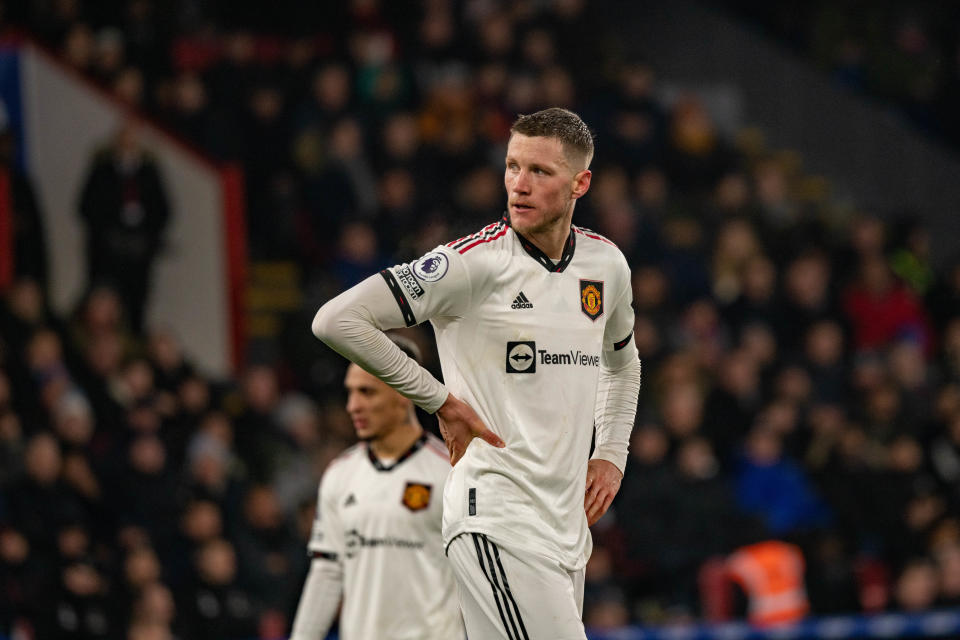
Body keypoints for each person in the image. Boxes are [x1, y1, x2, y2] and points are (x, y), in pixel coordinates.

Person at [312, 107, 642, 639]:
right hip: (495, 517)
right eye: (512, 167)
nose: (520, 185)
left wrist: (610, 454)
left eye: (540, 171)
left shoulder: (606, 266)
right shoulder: (473, 263)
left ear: (581, 183)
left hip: (564, 529)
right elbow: (337, 320)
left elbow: (623, 366)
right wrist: (438, 399)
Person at [289, 336, 464, 640]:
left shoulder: (450, 473)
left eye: (367, 392)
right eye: (351, 392)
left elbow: (477, 576)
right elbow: (327, 574)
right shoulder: (339, 474)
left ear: (404, 392)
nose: (352, 406)